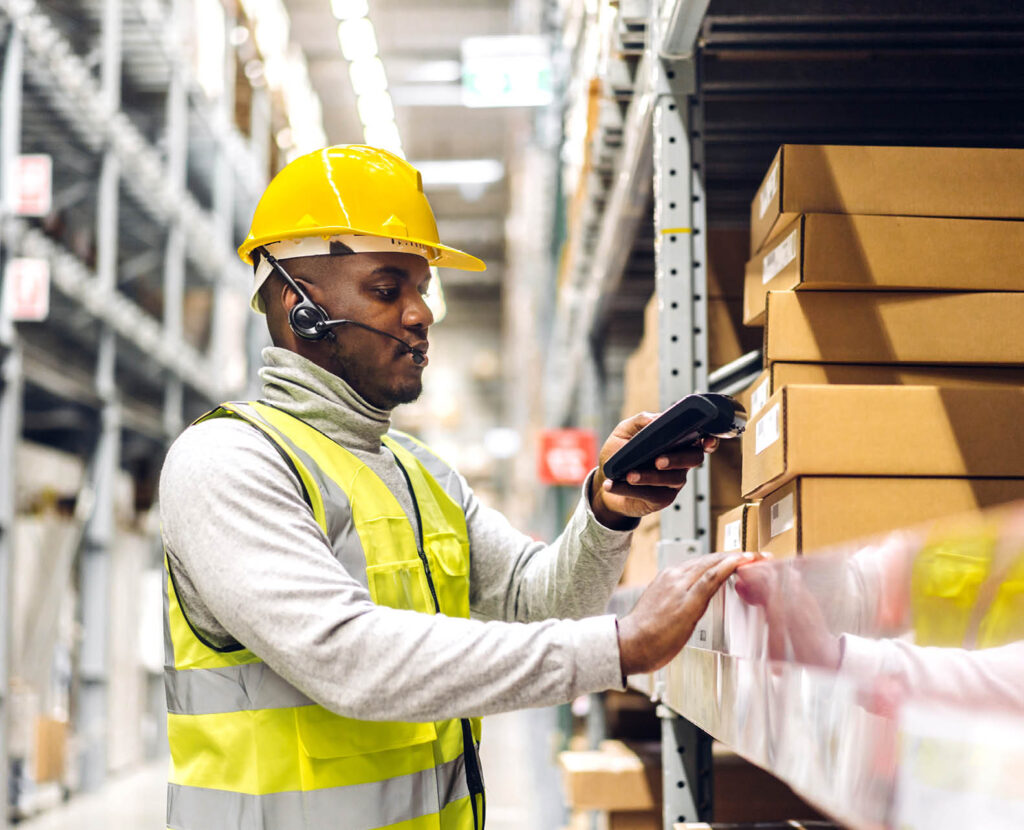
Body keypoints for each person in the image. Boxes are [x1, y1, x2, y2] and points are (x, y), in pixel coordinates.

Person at [158, 144, 758, 830]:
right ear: (300, 307)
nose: (421, 314)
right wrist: (620, 649)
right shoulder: (229, 461)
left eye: (421, 288)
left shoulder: (420, 472)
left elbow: (542, 603)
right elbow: (350, 660)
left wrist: (606, 513)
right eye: (388, 289)